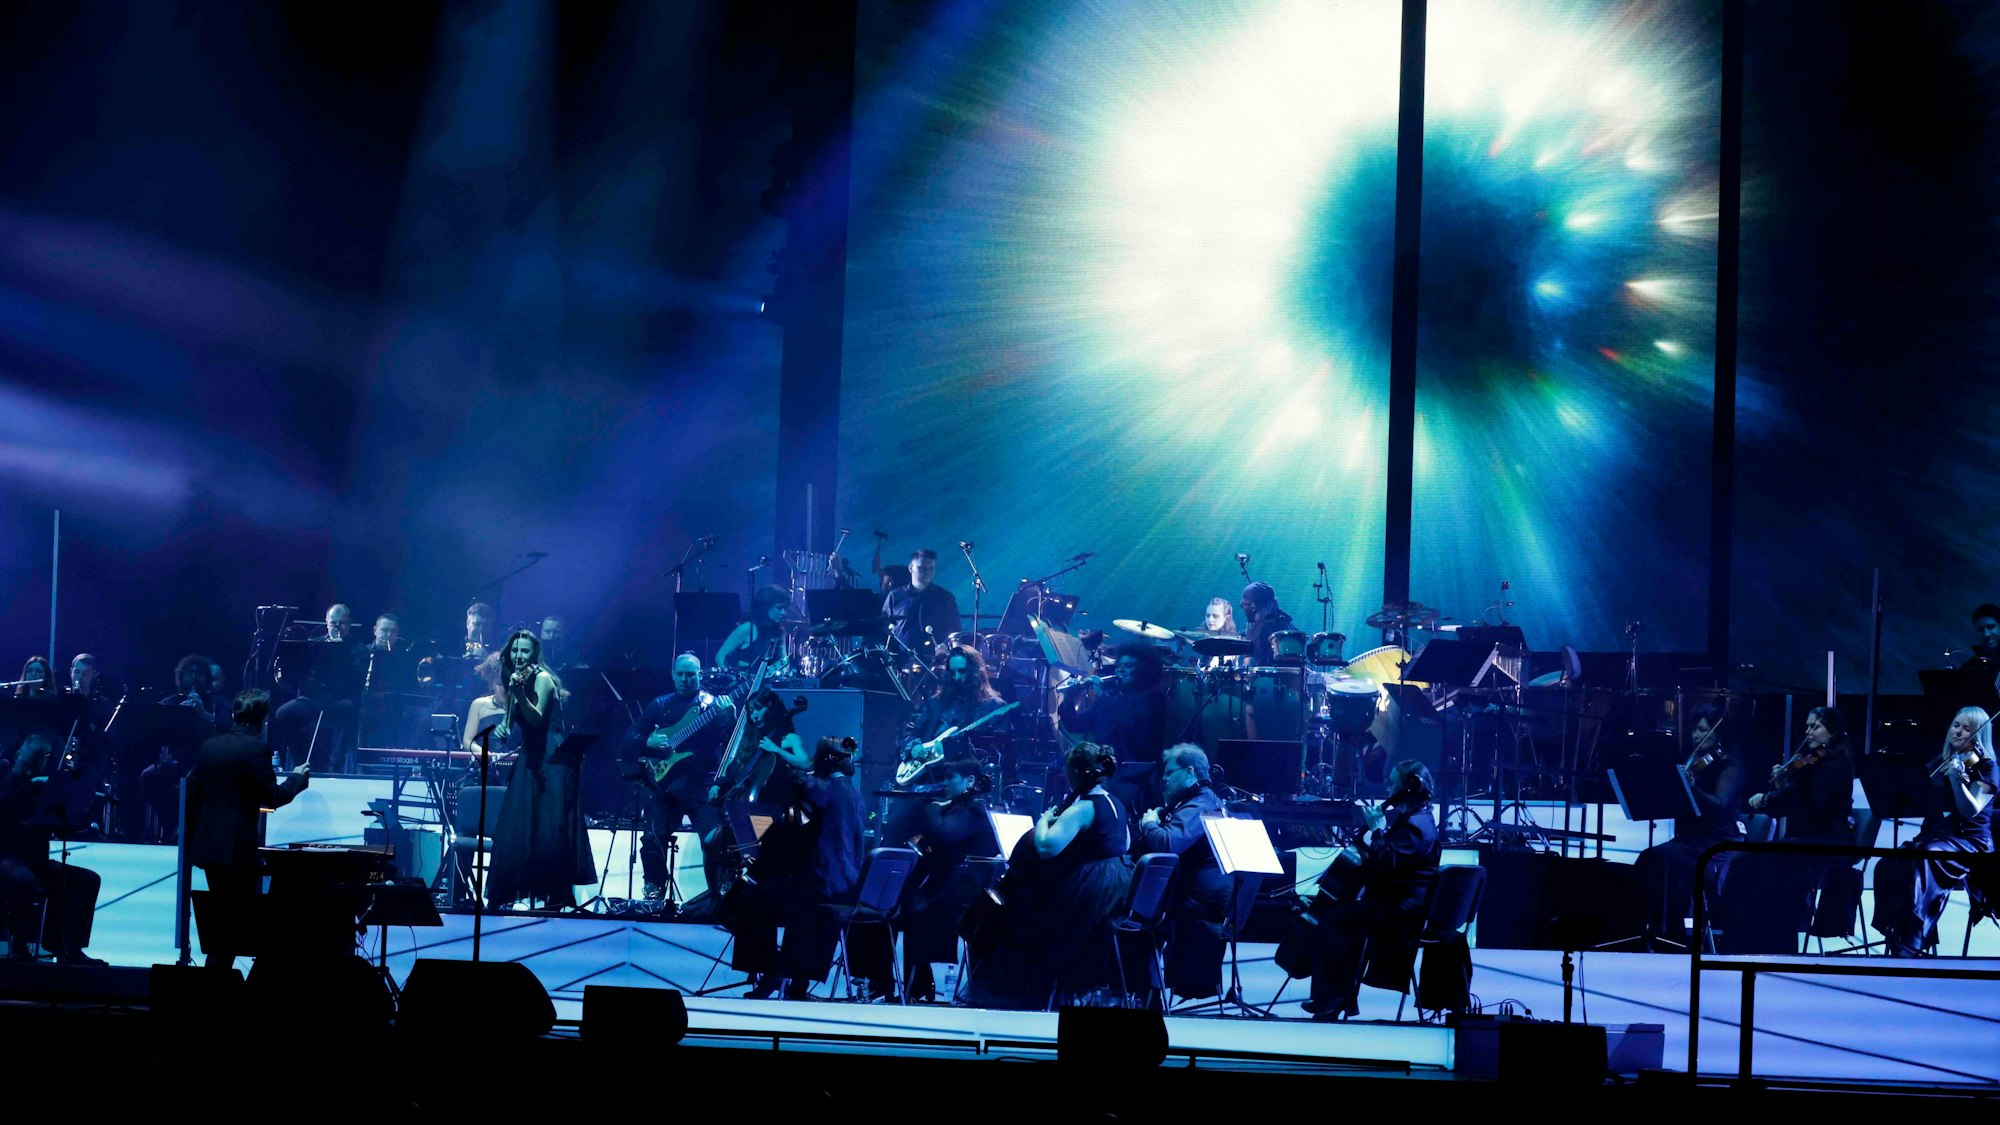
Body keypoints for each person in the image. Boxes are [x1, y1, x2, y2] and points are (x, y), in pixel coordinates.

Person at [965, 743, 1133, 1010]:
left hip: (1089, 894)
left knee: (1019, 912)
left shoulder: (1083, 808)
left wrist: (1043, 820)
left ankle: (1008, 990)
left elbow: (1046, 847)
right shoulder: (1117, 804)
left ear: (1076, 773)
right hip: (1114, 889)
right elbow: (1122, 844)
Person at [736, 736, 871, 1001]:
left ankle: (772, 972)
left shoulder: (824, 788)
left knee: (748, 899)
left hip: (823, 884)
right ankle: (796, 982)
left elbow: (800, 779)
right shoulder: (852, 793)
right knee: (787, 897)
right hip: (846, 884)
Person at [1303, 759, 1440, 1021]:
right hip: (1395, 902)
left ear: (1408, 788)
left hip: (1400, 911)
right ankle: (1338, 997)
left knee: (1332, 919)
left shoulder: (1414, 828)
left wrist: (1377, 830)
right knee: (1345, 917)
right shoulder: (1415, 820)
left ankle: (1330, 998)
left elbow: (1386, 864)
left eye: (1392, 784)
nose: (1388, 790)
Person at [184, 690, 309, 969]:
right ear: (263, 719)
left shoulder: (210, 746)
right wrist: (297, 779)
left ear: (233, 715)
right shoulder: (256, 750)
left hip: (210, 849)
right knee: (237, 927)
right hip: (237, 851)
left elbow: (193, 793)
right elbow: (273, 797)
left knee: (222, 926)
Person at [1727, 706, 1856, 953]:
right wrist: (1778, 792)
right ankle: (1751, 940)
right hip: (1805, 839)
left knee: (1763, 864)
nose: (1808, 732)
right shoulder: (1810, 765)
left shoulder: (1834, 764)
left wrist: (1780, 791)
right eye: (1807, 726)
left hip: (1829, 841)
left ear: (1833, 733)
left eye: (1815, 727)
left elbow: (1813, 806)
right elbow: (1794, 804)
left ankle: (1778, 943)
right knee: (1746, 862)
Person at [1871, 707, 1997, 956]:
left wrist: (1958, 781)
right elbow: (1919, 794)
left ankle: (1912, 939)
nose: (1958, 731)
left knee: (1925, 855)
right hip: (1941, 837)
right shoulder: (1943, 762)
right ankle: (1897, 932)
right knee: (1888, 863)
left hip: (1971, 842)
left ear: (1978, 737)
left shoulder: (1986, 767)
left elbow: (1970, 811)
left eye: (1967, 729)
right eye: (1956, 725)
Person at [485, 630, 593, 911]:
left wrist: (519, 693)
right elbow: (511, 726)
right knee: (519, 823)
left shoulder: (542, 679)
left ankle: (555, 896)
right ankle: (507, 897)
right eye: (515, 650)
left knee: (549, 825)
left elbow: (535, 718)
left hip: (552, 757)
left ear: (536, 655)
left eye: (526, 651)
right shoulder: (515, 681)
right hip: (530, 757)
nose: (519, 655)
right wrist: (502, 728)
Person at [626, 653, 733, 902]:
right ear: (673, 674)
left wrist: (729, 718)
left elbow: (730, 744)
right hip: (664, 782)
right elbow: (630, 738)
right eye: (680, 674)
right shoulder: (660, 705)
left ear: (699, 675)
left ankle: (722, 896)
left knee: (714, 839)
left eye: (690, 674)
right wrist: (647, 741)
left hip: (702, 782)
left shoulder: (712, 705)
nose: (685, 679)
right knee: (652, 837)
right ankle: (653, 891)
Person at [1633, 707, 1744, 947]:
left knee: (1662, 858)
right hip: (1691, 840)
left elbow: (1720, 804)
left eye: (1703, 730)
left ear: (1719, 734)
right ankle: (1651, 926)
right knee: (1650, 857)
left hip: (1718, 841)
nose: (1696, 735)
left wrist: (1690, 787)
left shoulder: (1730, 768)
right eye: (1694, 729)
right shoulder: (1696, 763)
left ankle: (1670, 931)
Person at [1135, 744, 1232, 1000]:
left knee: (1129, 912)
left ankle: (1141, 991)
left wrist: (1149, 824)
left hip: (1198, 902)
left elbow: (1169, 843)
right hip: (1204, 898)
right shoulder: (1203, 800)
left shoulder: (1200, 805)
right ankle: (1144, 991)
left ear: (1189, 772)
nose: (1163, 779)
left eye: (1169, 772)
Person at [0, 736, 106, 964]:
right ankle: (19, 947)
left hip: (36, 858)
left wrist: (74, 810)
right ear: (20, 752)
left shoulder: (44, 786)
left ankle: (67, 946)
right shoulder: (6, 776)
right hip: (7, 856)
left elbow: (54, 823)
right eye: (33, 756)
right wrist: (29, 785)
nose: (37, 761)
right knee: (23, 881)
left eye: (42, 757)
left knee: (87, 880)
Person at [898, 759, 991, 1001]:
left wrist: (931, 808)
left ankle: (916, 986)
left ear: (970, 781)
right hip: (953, 885)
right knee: (908, 906)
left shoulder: (970, 809)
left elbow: (946, 834)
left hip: (959, 891)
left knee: (912, 910)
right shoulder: (963, 806)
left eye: (952, 777)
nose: (946, 782)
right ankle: (918, 985)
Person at [1058, 642, 1170, 808]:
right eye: (1120, 665)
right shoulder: (1110, 697)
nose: (1121, 670)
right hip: (1104, 773)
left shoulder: (1153, 700)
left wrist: (1101, 694)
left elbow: (1129, 724)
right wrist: (1069, 698)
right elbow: (1076, 725)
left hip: (1133, 778)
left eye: (1129, 666)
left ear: (1144, 671)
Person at [272, 602, 361, 770]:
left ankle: (335, 767)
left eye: (341, 623)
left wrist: (339, 650)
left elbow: (357, 679)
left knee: (349, 708)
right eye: (333, 622)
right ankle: (304, 762)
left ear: (349, 623)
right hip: (314, 698)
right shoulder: (314, 644)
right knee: (283, 713)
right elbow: (302, 673)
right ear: (326, 621)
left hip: (340, 699)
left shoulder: (358, 649)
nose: (337, 627)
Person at [882, 549, 961, 661]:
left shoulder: (945, 597)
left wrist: (945, 645)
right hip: (900, 661)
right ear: (910, 568)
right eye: (921, 568)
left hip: (934, 662)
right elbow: (883, 626)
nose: (926, 572)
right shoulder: (895, 596)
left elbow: (955, 629)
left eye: (931, 568)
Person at [717, 586, 791, 675]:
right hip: (743, 685)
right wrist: (731, 677)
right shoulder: (748, 628)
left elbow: (784, 661)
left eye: (785, 609)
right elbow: (720, 656)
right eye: (779, 608)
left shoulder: (779, 632)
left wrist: (785, 672)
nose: (784, 613)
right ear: (766, 606)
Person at [1240, 581, 1295, 665]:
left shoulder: (1284, 632)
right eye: (1242, 605)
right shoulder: (1253, 626)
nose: (1243, 609)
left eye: (1244, 605)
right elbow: (1250, 658)